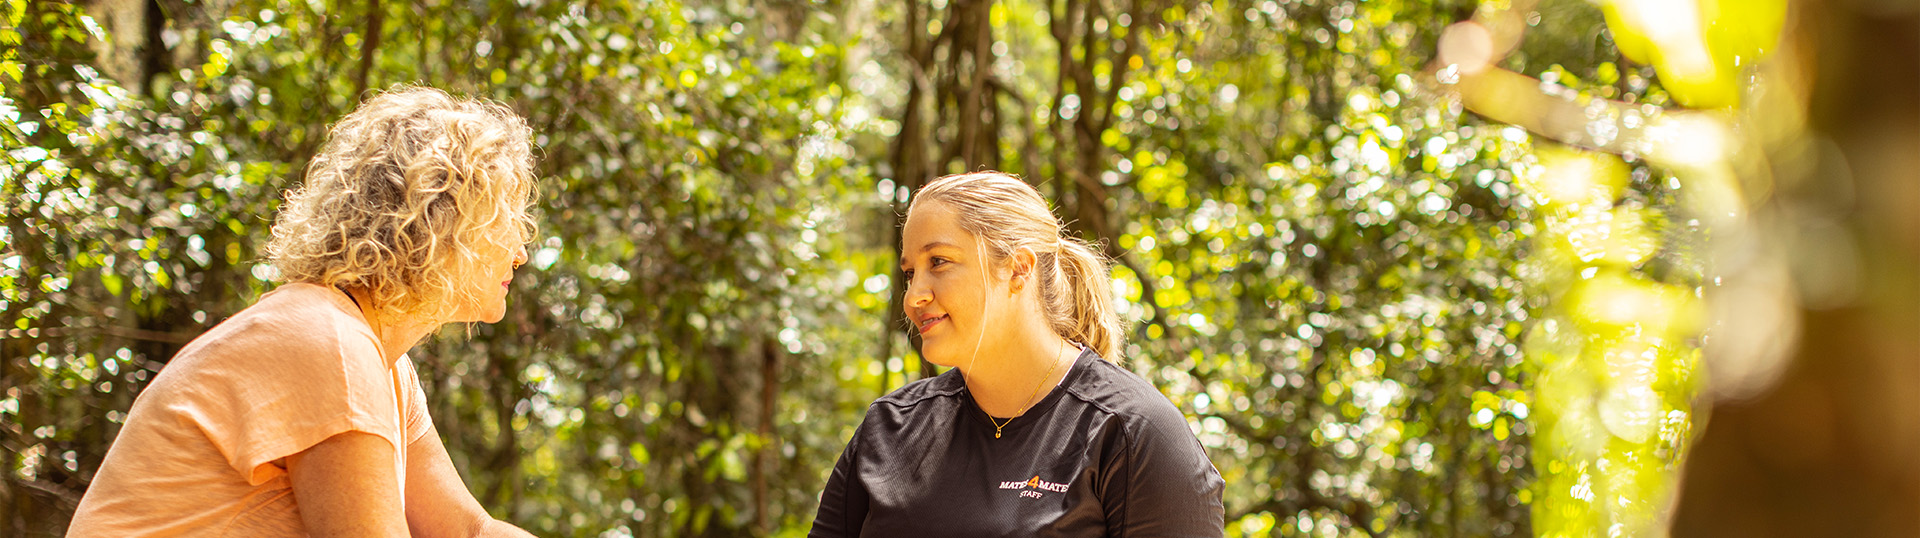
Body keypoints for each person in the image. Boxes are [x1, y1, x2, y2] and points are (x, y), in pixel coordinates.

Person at [69, 86, 540, 537]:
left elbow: (467, 530)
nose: (520, 252)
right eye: (507, 221)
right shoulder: (331, 346)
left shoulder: (374, 359)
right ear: (444, 226)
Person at [809, 171, 1226, 536]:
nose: (914, 295)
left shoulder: (1133, 432)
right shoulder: (889, 427)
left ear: (1018, 267)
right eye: (910, 272)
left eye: (938, 261)